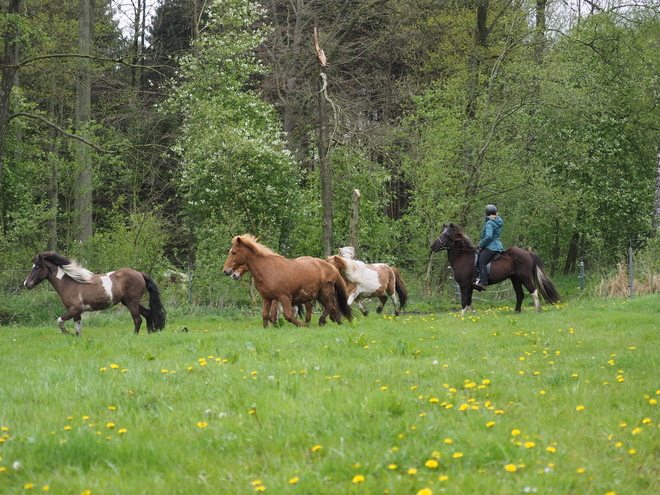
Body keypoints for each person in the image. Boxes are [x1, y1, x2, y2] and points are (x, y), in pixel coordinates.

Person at [473, 204, 504, 291]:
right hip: (497, 245)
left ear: (488, 213)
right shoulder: (497, 222)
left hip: (491, 246)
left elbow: (488, 237)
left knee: (482, 261)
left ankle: (483, 282)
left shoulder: (490, 223)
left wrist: (481, 244)